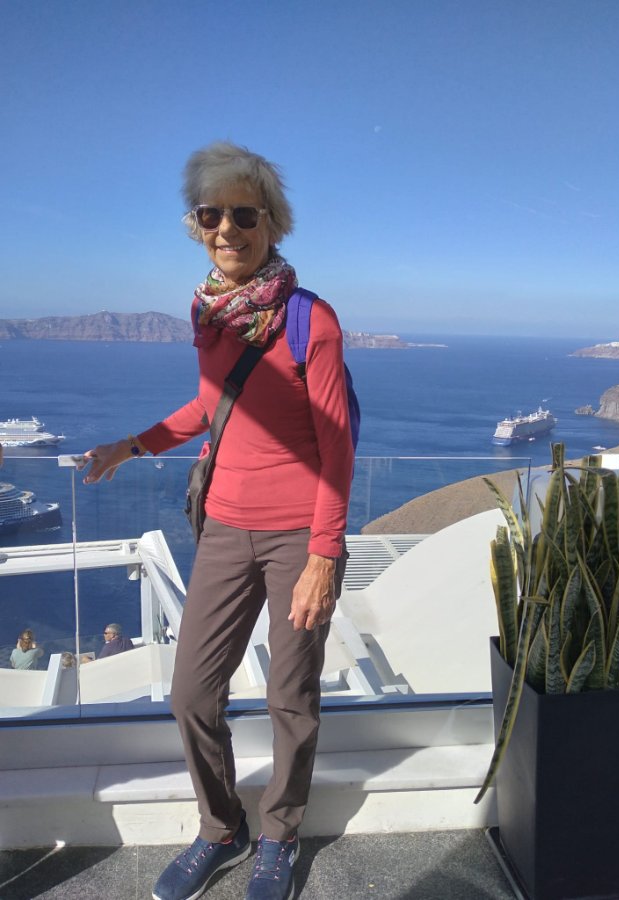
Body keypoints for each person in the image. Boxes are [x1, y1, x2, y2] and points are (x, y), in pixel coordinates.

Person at [80, 141, 354, 900]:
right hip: (225, 529)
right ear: (197, 226)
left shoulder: (310, 320)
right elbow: (212, 405)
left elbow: (337, 445)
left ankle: (279, 835)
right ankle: (221, 826)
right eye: (211, 215)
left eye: (243, 214)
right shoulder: (210, 314)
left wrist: (324, 556)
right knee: (192, 695)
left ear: (272, 223)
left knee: (290, 698)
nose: (227, 229)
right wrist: (132, 445)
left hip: (299, 535)